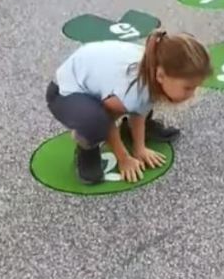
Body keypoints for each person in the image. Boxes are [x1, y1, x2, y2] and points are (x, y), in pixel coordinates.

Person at [45, 30, 212, 183]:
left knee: (140, 100)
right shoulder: (132, 91)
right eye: (188, 88)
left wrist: (140, 148)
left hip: (109, 85)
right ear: (161, 75)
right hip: (63, 93)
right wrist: (124, 158)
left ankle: (130, 131)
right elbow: (109, 119)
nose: (192, 94)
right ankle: (87, 148)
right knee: (96, 122)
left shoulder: (154, 64)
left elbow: (140, 108)